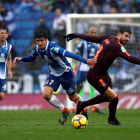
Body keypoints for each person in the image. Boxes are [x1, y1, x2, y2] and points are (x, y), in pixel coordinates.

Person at [13, 29, 96, 124]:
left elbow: (70, 54)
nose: (40, 43)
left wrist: (85, 61)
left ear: (46, 40)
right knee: (46, 94)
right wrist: (22, 59)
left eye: (41, 40)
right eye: (38, 41)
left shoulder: (53, 48)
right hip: (54, 74)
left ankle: (84, 108)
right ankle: (64, 110)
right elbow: (32, 57)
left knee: (73, 98)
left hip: (66, 73)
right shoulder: (37, 48)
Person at [63, 26, 140, 125]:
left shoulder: (108, 37)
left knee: (109, 98)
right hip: (95, 75)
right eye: (126, 36)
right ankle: (111, 119)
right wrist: (75, 35)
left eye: (129, 37)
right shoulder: (117, 46)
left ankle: (83, 104)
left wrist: (75, 35)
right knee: (114, 98)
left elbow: (91, 38)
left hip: (103, 74)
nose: (127, 39)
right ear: (119, 34)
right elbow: (130, 58)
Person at [72, 27, 104, 114]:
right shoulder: (83, 43)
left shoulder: (99, 44)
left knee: (96, 87)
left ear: (97, 34)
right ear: (88, 33)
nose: (93, 34)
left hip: (94, 69)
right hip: (82, 69)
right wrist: (76, 64)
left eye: (95, 33)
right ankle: (75, 106)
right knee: (79, 87)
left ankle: (95, 107)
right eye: (91, 32)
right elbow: (75, 53)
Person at [0, 26, 12, 101]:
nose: (3, 35)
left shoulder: (9, 46)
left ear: (7, 35)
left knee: (2, 95)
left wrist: (9, 70)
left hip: (2, 75)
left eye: (5, 33)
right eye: (1, 33)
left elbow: (9, 59)